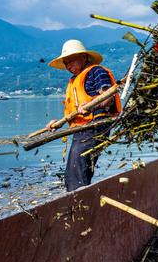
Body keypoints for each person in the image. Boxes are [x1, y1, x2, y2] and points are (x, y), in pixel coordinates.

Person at [46, 40, 121, 191]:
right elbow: (74, 111)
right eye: (66, 63)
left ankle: (80, 206)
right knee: (73, 173)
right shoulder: (75, 79)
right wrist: (57, 123)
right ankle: (80, 202)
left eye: (71, 61)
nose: (69, 66)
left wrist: (92, 107)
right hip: (81, 130)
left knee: (77, 174)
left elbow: (108, 98)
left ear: (83, 57)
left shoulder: (97, 72)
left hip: (94, 127)